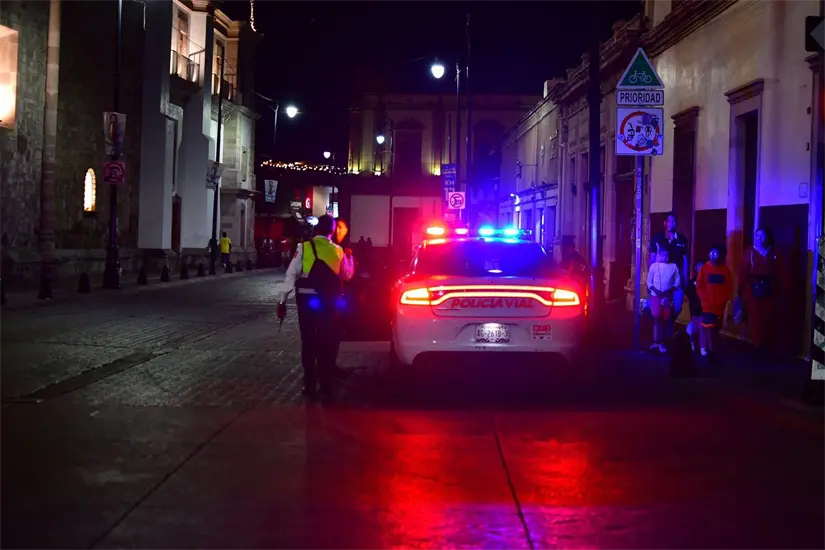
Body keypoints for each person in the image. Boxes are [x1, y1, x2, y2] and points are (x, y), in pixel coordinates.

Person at [277, 215, 355, 398]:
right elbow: (348, 274)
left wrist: (282, 301)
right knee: (328, 343)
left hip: (306, 303)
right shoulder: (337, 251)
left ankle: (309, 384)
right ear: (332, 231)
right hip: (329, 304)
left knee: (309, 343)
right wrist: (350, 258)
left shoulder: (303, 248)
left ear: (317, 229)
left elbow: (290, 275)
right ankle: (326, 384)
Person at [738, 227, 782, 356]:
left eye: (762, 236)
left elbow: (781, 272)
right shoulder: (749, 252)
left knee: (768, 317)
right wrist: (740, 290)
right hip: (753, 290)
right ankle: (758, 346)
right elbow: (743, 272)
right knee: (756, 317)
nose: (759, 238)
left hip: (770, 289)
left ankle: (767, 345)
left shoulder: (774, 253)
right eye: (757, 235)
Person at [649, 212, 689, 338]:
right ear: (665, 223)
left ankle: (668, 324)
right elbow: (652, 258)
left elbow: (685, 260)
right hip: (661, 282)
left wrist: (685, 278)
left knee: (677, 308)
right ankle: (661, 337)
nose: (671, 223)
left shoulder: (682, 240)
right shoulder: (658, 238)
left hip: (676, 280)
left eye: (674, 221)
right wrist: (651, 278)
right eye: (669, 221)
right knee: (659, 310)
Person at [696, 245, 734, 360]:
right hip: (707, 305)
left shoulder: (725, 270)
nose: (714, 256)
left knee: (716, 327)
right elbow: (699, 286)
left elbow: (729, 287)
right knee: (708, 326)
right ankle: (707, 348)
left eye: (716, 253)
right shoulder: (704, 269)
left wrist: (724, 299)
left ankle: (712, 348)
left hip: (720, 305)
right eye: (712, 253)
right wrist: (705, 299)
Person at [647, 247, 681, 353]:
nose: (664, 257)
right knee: (657, 318)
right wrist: (656, 291)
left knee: (665, 318)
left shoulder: (674, 267)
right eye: (662, 255)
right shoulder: (653, 266)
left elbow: (677, 282)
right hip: (655, 296)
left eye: (667, 255)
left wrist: (669, 291)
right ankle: (656, 341)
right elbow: (649, 282)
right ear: (659, 255)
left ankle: (662, 342)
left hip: (667, 296)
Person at [685, 260, 705, 353]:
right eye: (699, 266)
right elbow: (688, 292)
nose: (700, 268)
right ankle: (692, 343)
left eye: (702, 266)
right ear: (696, 268)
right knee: (695, 327)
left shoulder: (708, 280)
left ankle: (702, 346)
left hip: (705, 306)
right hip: (694, 306)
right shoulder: (692, 280)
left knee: (703, 327)